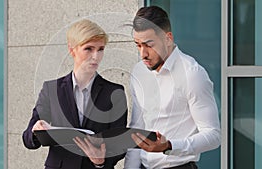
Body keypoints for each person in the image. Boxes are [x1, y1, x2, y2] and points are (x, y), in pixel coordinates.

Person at [124, 6, 221, 169]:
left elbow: (213, 136)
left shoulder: (193, 75)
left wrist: (170, 146)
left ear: (168, 38)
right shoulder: (139, 71)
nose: (143, 54)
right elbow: (137, 130)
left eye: (149, 45)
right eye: (138, 45)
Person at [22, 19, 128, 169]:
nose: (96, 56)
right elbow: (27, 139)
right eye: (89, 49)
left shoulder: (115, 92)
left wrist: (101, 160)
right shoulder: (51, 90)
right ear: (72, 50)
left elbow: (120, 144)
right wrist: (35, 131)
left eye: (100, 49)